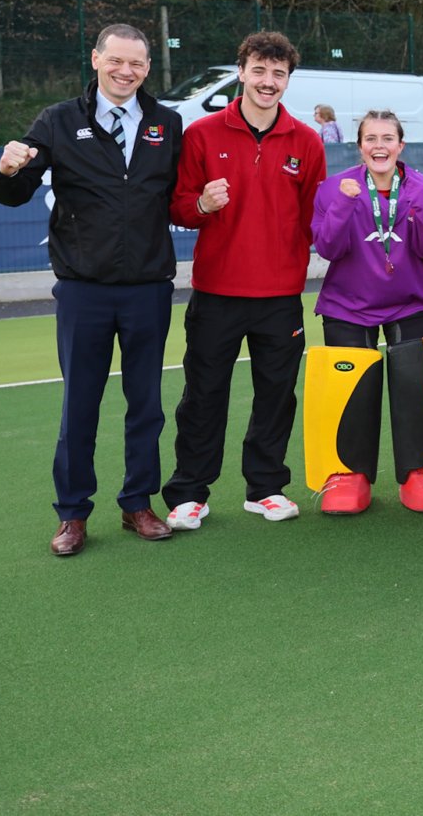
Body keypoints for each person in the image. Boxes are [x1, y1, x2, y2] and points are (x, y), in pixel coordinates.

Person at [0, 23, 182, 555]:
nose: (126, 71)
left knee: (146, 405)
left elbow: (180, 196)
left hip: (148, 289)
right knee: (80, 407)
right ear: (96, 60)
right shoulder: (57, 120)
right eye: (116, 60)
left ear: (148, 69)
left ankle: (138, 503)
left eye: (136, 63)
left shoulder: (167, 123)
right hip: (83, 291)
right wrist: (6, 169)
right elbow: (14, 190)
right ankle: (72, 513)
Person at [163, 31, 326, 531]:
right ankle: (189, 493)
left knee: (276, 396)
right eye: (259, 70)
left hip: (280, 296)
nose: (268, 81)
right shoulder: (202, 134)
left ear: (288, 79)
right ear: (241, 72)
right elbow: (178, 207)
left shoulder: (306, 140)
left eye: (278, 73)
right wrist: (202, 204)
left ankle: (266, 488)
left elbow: (314, 220)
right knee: (203, 395)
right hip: (216, 293)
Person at [306, 110, 423, 515]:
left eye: (387, 138)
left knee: (417, 386)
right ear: (359, 146)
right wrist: (344, 203)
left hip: (411, 300)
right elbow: (328, 248)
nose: (379, 146)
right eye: (371, 139)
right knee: (351, 390)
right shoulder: (334, 188)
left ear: (400, 145)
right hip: (348, 303)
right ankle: (349, 473)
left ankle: (422, 470)